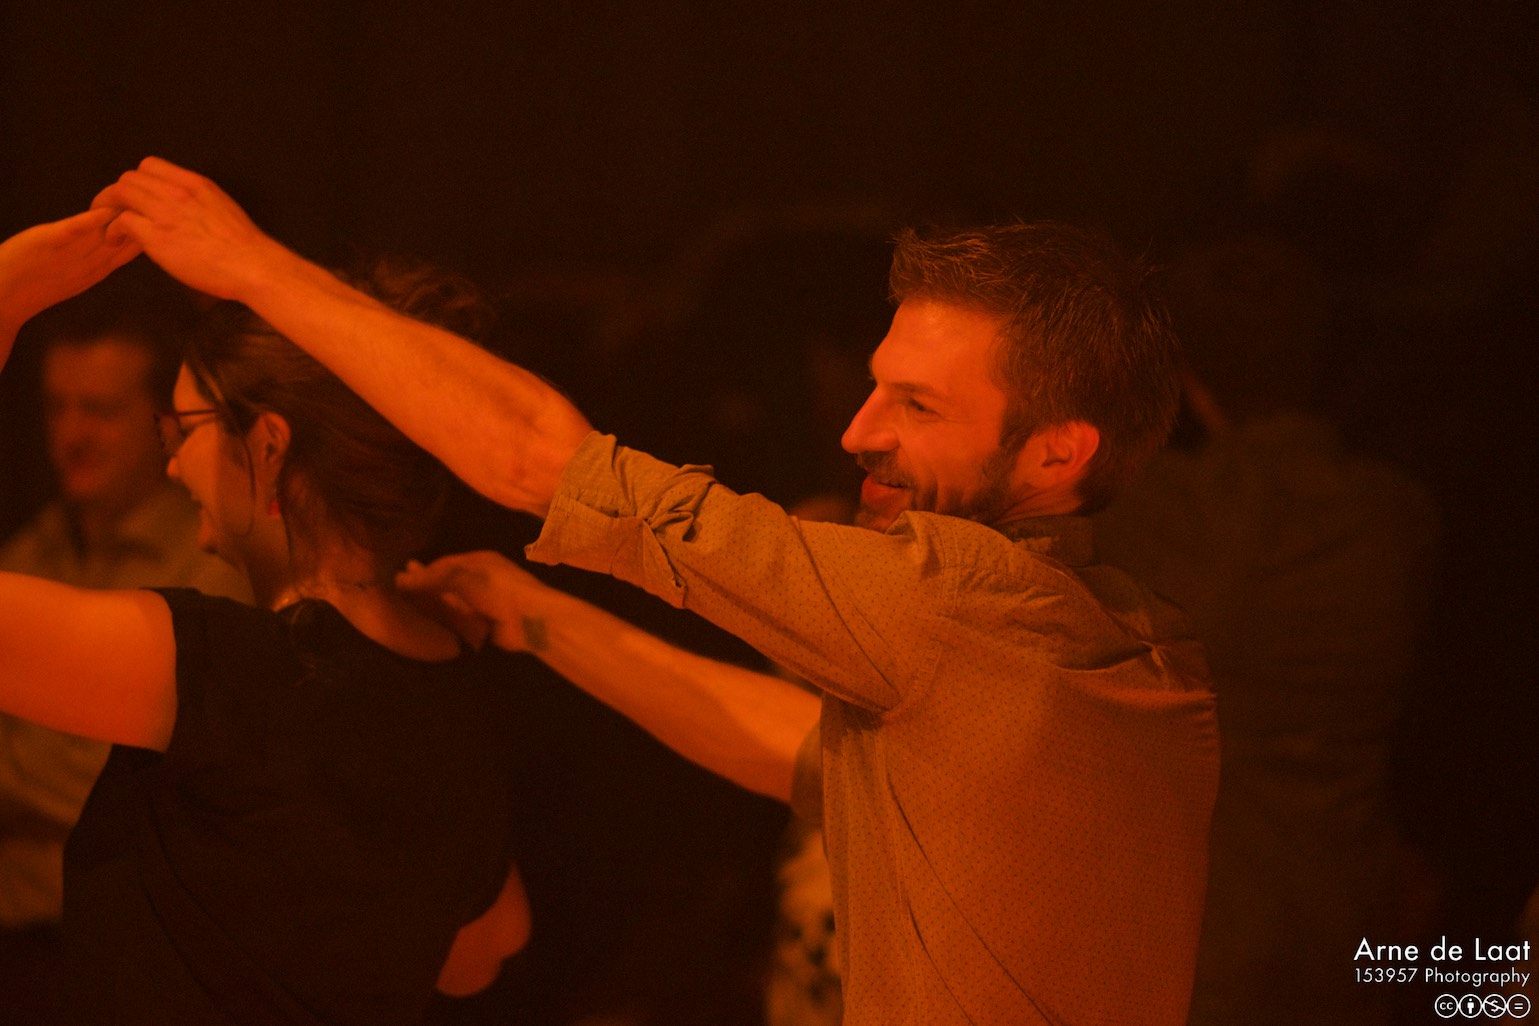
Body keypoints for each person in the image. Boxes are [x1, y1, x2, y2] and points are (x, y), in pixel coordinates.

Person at [97, 158, 1220, 1026]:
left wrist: (250, 267)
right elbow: (804, 755)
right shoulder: (1134, 645)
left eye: (917, 407)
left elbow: (539, 459)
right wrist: (546, 621)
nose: (856, 431)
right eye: (876, 387)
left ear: (1059, 452)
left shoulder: (950, 602)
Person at [0, 209, 531, 1024]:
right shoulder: (454, 690)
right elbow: (484, 951)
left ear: (269, 447)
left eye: (186, 429)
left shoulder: (220, 671)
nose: (173, 464)